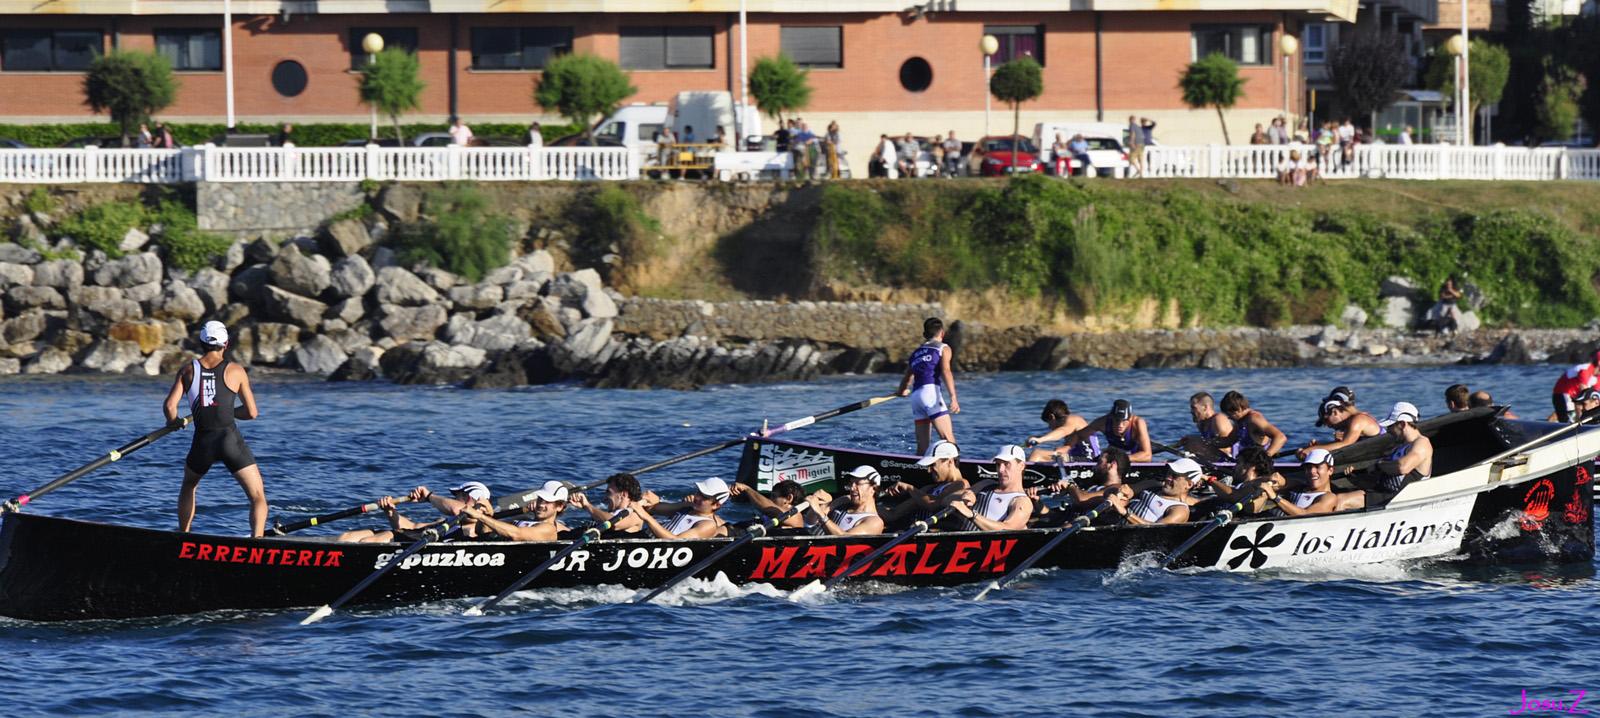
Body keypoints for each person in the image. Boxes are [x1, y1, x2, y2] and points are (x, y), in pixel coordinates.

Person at [163, 321, 267, 537]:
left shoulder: (188, 370)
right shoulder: (236, 371)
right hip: (230, 441)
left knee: (189, 485)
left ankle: (183, 535)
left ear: (201, 343)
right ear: (226, 344)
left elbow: (170, 406)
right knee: (257, 496)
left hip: (203, 442)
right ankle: (257, 541)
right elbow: (252, 413)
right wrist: (228, 411)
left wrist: (174, 422)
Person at [337, 481, 494, 543]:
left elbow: (457, 509)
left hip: (417, 548)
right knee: (346, 537)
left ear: (469, 498)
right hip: (412, 537)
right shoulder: (447, 523)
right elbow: (413, 527)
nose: (453, 499)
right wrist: (390, 512)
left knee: (367, 543)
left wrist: (429, 496)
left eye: (457, 496)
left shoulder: (479, 527)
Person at [1346, 402, 1434, 509]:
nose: (1389, 431)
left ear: (1402, 424)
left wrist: (1379, 465)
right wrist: (1357, 479)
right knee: (1337, 497)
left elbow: (1403, 467)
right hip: (1385, 495)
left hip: (1402, 499)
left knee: (1342, 501)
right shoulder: (1398, 446)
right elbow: (1383, 479)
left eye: (1391, 426)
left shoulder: (1421, 443)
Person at [897, 316, 959, 455]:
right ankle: (958, 472)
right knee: (948, 440)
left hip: (916, 397)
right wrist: (953, 397)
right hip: (931, 395)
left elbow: (908, 377)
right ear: (942, 333)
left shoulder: (916, 353)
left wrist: (902, 390)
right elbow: (946, 371)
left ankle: (918, 472)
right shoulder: (943, 348)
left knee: (922, 448)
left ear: (925, 334)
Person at [880, 440, 970, 526]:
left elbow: (934, 504)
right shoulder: (929, 488)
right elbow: (892, 514)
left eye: (932, 465)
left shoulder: (962, 485)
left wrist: (910, 489)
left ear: (949, 462)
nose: (928, 471)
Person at [947, 445, 1034, 531]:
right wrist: (964, 496)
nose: (1000, 470)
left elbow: (1007, 530)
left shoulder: (1022, 502)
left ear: (1021, 466)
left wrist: (972, 515)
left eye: (1006, 464)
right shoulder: (986, 484)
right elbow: (945, 500)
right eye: (998, 464)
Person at [465, 481, 569, 541]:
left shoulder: (549, 529)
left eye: (548, 502)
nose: (541, 504)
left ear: (559, 507)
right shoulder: (522, 519)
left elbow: (516, 534)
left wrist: (480, 517)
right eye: (540, 499)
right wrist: (487, 515)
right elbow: (483, 532)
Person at [1107, 458, 1201, 525]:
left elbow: (1155, 531)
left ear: (1189, 484)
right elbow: (1130, 491)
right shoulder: (1153, 484)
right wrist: (1125, 492)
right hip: (1115, 525)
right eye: (1169, 473)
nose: (1168, 478)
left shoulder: (1179, 510)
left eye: (1175, 476)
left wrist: (1124, 512)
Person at [636, 477, 731, 539]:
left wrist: (646, 517)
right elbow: (654, 509)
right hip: (643, 537)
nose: (697, 497)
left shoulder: (707, 525)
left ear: (716, 505)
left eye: (704, 497)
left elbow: (676, 542)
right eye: (698, 492)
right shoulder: (688, 506)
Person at [806, 465, 886, 536]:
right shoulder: (844, 501)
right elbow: (810, 522)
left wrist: (819, 511)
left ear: (874, 488)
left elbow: (844, 539)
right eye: (851, 483)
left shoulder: (875, 522)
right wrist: (821, 504)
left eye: (858, 483)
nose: (852, 488)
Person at [1261, 449, 1341, 517]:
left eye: (1317, 467)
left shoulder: (1329, 498)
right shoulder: (1299, 486)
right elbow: (1285, 483)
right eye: (1309, 467)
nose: (1312, 471)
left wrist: (1275, 498)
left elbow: (1305, 515)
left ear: (1330, 471)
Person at [1069, 399, 1152, 462]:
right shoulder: (1103, 422)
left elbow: (1147, 455)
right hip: (1116, 450)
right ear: (1111, 417)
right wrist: (1065, 448)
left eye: (1124, 421)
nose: (1120, 425)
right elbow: (1078, 435)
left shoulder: (1138, 423)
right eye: (1117, 420)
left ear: (1130, 419)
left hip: (1135, 452)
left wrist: (1121, 460)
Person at [1299, 395, 1381, 457]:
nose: (1327, 426)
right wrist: (1319, 446)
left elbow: (1346, 445)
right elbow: (1343, 445)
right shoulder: (1353, 422)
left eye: (1326, 420)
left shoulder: (1358, 420)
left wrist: (1313, 450)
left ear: (1335, 412)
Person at [568, 472, 645, 536]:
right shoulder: (608, 514)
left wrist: (587, 506)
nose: (605, 497)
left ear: (623, 494)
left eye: (609, 492)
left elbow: (615, 524)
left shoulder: (636, 514)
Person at [1219, 390, 1287, 457]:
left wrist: (1266, 456)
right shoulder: (1240, 420)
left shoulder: (1254, 419)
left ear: (1238, 409)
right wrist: (1212, 443)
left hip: (1260, 465)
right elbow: (1230, 440)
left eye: (1229, 414)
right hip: (1246, 462)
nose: (1228, 417)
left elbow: (1281, 437)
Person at [729, 479, 812, 532]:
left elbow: (769, 508)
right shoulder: (774, 516)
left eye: (774, 496)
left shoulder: (795, 516)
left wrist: (747, 489)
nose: (770, 500)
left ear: (789, 498)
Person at [1026, 398, 1092, 462]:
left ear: (1052, 417)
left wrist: (1040, 440)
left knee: (1037, 454)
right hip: (1079, 458)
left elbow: (1062, 431)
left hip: (1089, 459)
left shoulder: (1073, 419)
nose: (1049, 427)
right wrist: (1058, 451)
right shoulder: (1071, 429)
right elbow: (1067, 447)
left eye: (1049, 423)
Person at [1182, 391, 1235, 461]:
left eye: (1193, 408)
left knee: (1190, 440)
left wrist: (1195, 441)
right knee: (1187, 440)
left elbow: (1227, 448)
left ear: (1205, 407)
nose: (1191, 411)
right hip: (1214, 457)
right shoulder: (1201, 424)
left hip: (1230, 459)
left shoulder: (1218, 420)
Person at [1550, 350, 1600, 423]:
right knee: (1569, 419)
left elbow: (1596, 394)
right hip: (1563, 393)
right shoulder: (1585, 369)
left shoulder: (1598, 377)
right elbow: (1584, 389)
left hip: (1576, 397)